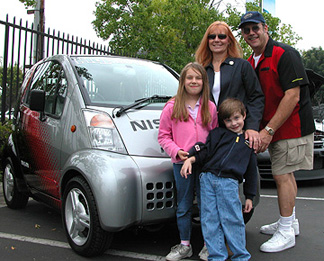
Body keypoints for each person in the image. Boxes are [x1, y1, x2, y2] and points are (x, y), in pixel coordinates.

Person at [239, 11, 315, 253]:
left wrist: (269, 130)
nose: (251, 33)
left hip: (291, 127)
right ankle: (290, 223)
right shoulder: (252, 61)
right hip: (272, 128)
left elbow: (293, 95)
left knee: (282, 176)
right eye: (246, 30)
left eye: (255, 28)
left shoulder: (285, 53)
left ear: (265, 28)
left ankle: (285, 232)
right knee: (286, 175)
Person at [181, 98, 258, 261]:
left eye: (237, 118)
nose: (234, 123)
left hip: (228, 182)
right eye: (228, 120)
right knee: (209, 220)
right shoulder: (217, 134)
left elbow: (251, 172)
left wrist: (250, 196)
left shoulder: (248, 142)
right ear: (223, 121)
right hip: (207, 179)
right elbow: (205, 152)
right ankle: (216, 256)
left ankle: (241, 256)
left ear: (244, 115)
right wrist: (190, 159)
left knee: (232, 219)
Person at [158, 62, 218, 261]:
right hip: (181, 164)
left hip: (205, 164)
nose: (194, 81)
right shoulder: (171, 107)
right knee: (183, 204)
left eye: (198, 78)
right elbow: (163, 136)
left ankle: (209, 245)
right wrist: (177, 151)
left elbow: (215, 136)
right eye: (189, 78)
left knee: (206, 204)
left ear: (204, 82)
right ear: (183, 81)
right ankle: (185, 245)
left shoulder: (210, 107)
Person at [195, 21, 264, 153]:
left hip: (237, 132)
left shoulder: (242, 66)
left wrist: (252, 127)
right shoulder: (201, 69)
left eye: (221, 36)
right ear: (207, 41)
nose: (216, 40)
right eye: (212, 37)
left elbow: (256, 98)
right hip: (209, 134)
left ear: (229, 41)